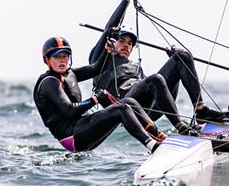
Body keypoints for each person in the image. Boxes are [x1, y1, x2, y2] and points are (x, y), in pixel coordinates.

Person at [88, 0, 225, 128]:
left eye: (130, 43)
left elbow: (155, 87)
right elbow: (109, 27)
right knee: (155, 79)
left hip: (151, 108)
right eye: (122, 40)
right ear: (113, 41)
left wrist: (174, 65)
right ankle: (181, 127)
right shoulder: (99, 60)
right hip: (126, 107)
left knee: (182, 57)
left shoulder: (134, 66)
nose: (126, 45)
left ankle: (200, 110)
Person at [34, 36, 166, 153]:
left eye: (65, 56)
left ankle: (161, 138)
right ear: (47, 59)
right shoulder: (49, 82)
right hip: (73, 137)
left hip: (82, 126)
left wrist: (107, 49)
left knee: (128, 102)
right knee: (121, 109)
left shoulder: (69, 73)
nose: (62, 60)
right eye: (57, 57)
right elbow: (69, 110)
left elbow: (97, 68)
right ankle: (154, 146)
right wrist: (95, 99)